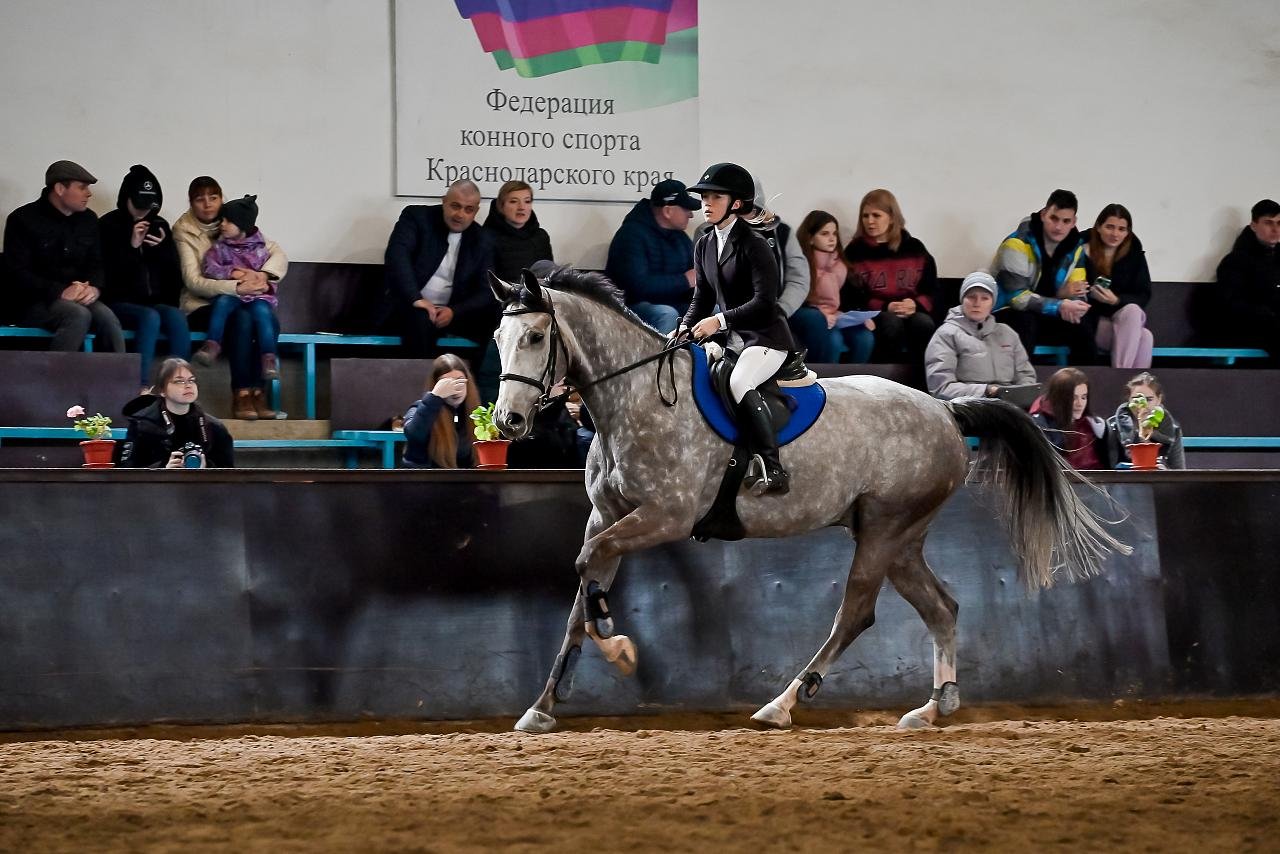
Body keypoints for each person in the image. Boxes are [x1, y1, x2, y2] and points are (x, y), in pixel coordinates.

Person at [681, 162, 799, 495]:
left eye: (715, 197)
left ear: (736, 203)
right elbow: (702, 296)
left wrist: (718, 321)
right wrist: (685, 327)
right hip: (735, 337)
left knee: (739, 381)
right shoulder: (704, 243)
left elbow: (765, 301)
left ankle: (773, 467)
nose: (706, 203)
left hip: (766, 337)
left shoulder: (755, 243)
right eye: (704, 196)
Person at [174, 176, 288, 421]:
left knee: (266, 318)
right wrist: (237, 286)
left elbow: (276, 252)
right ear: (191, 203)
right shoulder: (185, 231)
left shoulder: (235, 219)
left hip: (244, 300)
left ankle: (259, 391)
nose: (207, 204)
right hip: (203, 306)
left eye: (213, 197)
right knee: (243, 321)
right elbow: (195, 281)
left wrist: (262, 275)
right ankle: (241, 394)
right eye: (199, 199)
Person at [2, 160, 125, 353]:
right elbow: (17, 273)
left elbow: (97, 263)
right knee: (77, 315)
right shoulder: (22, 219)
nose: (89, 193)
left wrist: (94, 288)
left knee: (108, 318)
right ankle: (57, 381)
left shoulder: (89, 219)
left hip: (77, 296)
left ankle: (117, 381)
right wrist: (60, 291)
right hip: (35, 301)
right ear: (60, 188)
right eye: (82, 187)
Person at [98, 165, 191, 392]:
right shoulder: (108, 225)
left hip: (154, 301)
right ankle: (140, 385)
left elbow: (174, 276)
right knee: (149, 318)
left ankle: (180, 382)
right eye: (138, 206)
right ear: (126, 198)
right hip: (118, 301)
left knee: (176, 317)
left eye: (148, 207)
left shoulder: (159, 226)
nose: (142, 213)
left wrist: (162, 250)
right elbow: (106, 274)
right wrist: (132, 247)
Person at [383, 180, 496, 359]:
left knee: (496, 319)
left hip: (453, 313)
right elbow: (397, 256)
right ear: (444, 201)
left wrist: (454, 311)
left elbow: (486, 290)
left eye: (468, 209)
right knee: (421, 319)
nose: (460, 214)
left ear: (476, 211)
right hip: (410, 307)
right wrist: (416, 298)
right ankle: (423, 385)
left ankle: (477, 383)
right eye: (455, 206)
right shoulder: (417, 217)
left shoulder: (482, 239)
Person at [991, 189, 1095, 364]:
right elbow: (1016, 298)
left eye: (1066, 221)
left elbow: (1079, 292)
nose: (1058, 227)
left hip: (1044, 313)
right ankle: (1021, 385)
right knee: (1026, 322)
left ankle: (1082, 386)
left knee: (1082, 324)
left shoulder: (1075, 248)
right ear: (1043, 214)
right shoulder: (1016, 243)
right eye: (1054, 218)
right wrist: (1059, 303)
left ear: (1074, 222)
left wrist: (1075, 305)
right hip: (1005, 312)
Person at [843, 189, 937, 364]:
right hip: (876, 312)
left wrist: (915, 305)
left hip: (911, 309)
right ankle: (886, 379)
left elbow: (931, 289)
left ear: (892, 217)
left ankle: (920, 380)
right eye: (865, 216)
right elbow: (851, 296)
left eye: (876, 215)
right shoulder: (855, 252)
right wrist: (886, 306)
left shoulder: (914, 247)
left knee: (924, 324)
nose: (869, 221)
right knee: (891, 323)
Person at [194, 195, 281, 384]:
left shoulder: (261, 249)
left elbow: (268, 278)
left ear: (242, 225)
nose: (222, 224)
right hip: (232, 293)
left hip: (257, 297)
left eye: (227, 220)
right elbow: (210, 268)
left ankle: (269, 358)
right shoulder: (220, 248)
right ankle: (212, 345)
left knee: (263, 314)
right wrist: (232, 272)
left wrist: (263, 284)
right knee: (222, 303)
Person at [605, 178, 701, 333]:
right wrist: (685, 281)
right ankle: (661, 358)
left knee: (714, 311)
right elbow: (637, 288)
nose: (690, 215)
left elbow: (695, 277)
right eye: (685, 209)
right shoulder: (630, 235)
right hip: (630, 306)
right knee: (667, 315)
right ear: (668, 211)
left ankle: (718, 356)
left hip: (673, 303)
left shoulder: (681, 238)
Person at [924, 272, 1038, 401]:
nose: (977, 303)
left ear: (992, 303)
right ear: (962, 300)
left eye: (985, 298)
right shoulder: (946, 334)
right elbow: (941, 388)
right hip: (967, 408)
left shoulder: (1007, 333)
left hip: (1009, 407)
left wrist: (1021, 397)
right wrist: (987, 391)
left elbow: (1026, 377)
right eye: (971, 297)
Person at [118, 358, 234, 468]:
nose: (188, 385)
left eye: (191, 380)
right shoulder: (142, 426)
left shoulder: (214, 428)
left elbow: (230, 476)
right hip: (157, 488)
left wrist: (206, 469)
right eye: (179, 381)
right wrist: (163, 470)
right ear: (162, 391)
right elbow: (127, 473)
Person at [789, 210, 873, 363]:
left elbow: (849, 299)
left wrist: (858, 317)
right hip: (811, 314)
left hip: (835, 316)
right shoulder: (799, 263)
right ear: (811, 239)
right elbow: (795, 299)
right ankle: (827, 384)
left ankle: (854, 384)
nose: (832, 239)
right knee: (833, 339)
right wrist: (823, 314)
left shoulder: (842, 264)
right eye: (825, 234)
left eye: (834, 234)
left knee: (864, 337)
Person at [1081, 204, 1153, 369]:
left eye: (1121, 229)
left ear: (1128, 232)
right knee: (1144, 336)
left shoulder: (1134, 255)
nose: (1115, 234)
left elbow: (1143, 294)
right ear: (1099, 227)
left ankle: (1122, 376)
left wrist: (1116, 300)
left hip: (1124, 321)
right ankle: (1128, 385)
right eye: (1110, 227)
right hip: (1093, 321)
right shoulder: (1082, 250)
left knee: (1135, 316)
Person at [1211, 198, 1280, 354]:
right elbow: (1230, 303)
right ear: (1254, 225)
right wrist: (1267, 314)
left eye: (1279, 223)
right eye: (1268, 223)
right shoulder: (1236, 261)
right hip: (1251, 328)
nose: (1275, 229)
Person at [401, 353, 480, 468]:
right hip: (425, 481)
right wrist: (435, 397)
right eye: (447, 383)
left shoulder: (477, 415)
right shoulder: (419, 409)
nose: (455, 389)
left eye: (460, 381)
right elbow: (414, 434)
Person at [1031, 367, 1114, 470]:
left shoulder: (1096, 426)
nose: (1080, 404)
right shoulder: (1040, 426)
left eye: (1083, 397)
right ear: (1058, 398)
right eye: (1073, 398)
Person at [1106, 372, 1186, 469]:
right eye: (1136, 399)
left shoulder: (1173, 429)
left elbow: (1178, 472)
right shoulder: (1112, 426)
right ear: (1129, 401)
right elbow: (1108, 469)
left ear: (1159, 399)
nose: (1143, 405)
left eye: (1149, 399)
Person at [483, 180, 554, 282]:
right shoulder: (486, 238)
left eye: (527, 201)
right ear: (501, 206)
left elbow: (550, 278)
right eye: (513, 201)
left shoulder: (541, 237)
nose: (521, 207)